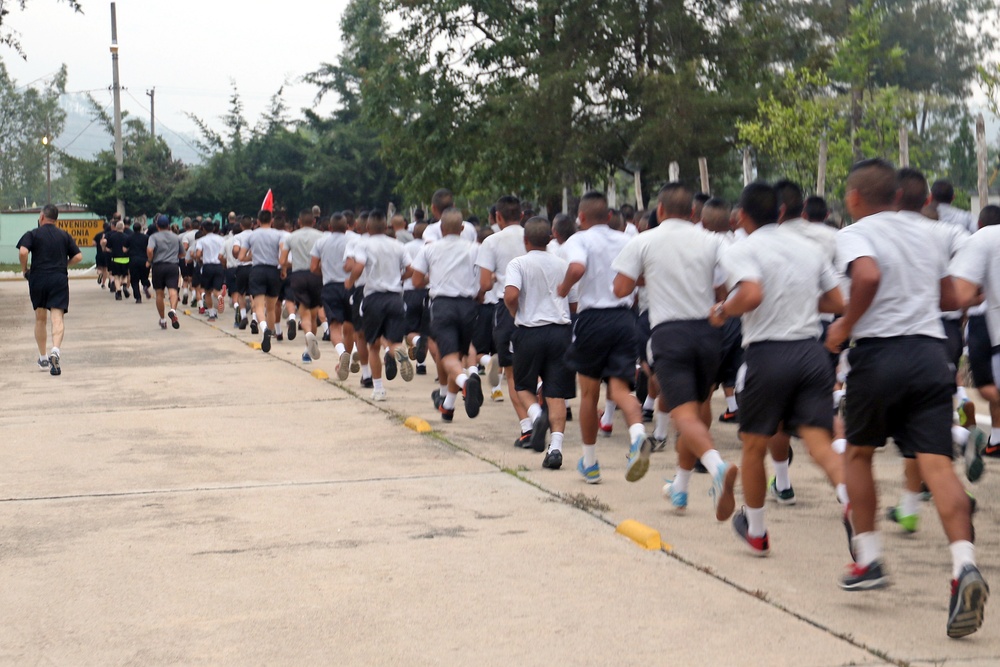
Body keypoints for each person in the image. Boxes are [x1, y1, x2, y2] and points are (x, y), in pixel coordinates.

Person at [826, 158, 985, 638]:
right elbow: (950, 297)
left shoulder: (854, 233)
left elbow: (867, 277)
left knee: (858, 453)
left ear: (854, 197)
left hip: (879, 356)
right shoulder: (928, 232)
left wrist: (845, 325)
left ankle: (869, 559)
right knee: (937, 465)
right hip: (931, 356)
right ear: (897, 195)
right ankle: (964, 566)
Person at [712, 182, 846, 556]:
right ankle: (849, 499)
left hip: (768, 354)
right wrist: (798, 302)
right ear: (782, 212)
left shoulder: (741, 249)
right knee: (819, 441)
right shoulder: (808, 247)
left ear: (741, 215)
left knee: (754, 445)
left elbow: (751, 294)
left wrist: (723, 310)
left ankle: (757, 532)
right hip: (811, 353)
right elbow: (838, 300)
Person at [612, 182, 736, 515]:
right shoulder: (713, 240)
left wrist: (651, 276)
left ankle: (717, 467)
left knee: (683, 414)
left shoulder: (644, 240)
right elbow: (726, 287)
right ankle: (680, 487)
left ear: (660, 209)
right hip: (709, 333)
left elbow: (620, 288)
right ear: (694, 212)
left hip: (670, 334)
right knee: (698, 408)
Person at [560, 190, 651, 484]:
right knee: (621, 389)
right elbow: (641, 278)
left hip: (593, 320)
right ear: (609, 216)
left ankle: (590, 463)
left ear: (581, 217)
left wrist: (563, 288)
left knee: (589, 394)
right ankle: (638, 435)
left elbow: (577, 267)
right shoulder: (627, 240)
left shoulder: (579, 239)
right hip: (625, 319)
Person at [505, 217, 576, 469]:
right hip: (560, 332)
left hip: (530, 331)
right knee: (556, 393)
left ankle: (536, 416)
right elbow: (573, 303)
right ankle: (555, 448)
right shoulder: (562, 264)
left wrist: (515, 312)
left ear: (525, 240)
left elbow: (511, 295)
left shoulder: (519, 263)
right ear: (550, 238)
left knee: (523, 385)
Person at [410, 208, 483, 420]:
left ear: (441, 228)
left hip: (442, 305)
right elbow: (484, 279)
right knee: (459, 356)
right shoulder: (475, 249)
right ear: (462, 228)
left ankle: (464, 382)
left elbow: (416, 281)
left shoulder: (430, 249)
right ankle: (448, 406)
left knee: (448, 356)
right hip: (468, 306)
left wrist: (433, 278)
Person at [477, 195, 531, 444]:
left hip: (507, 309)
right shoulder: (533, 236)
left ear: (497, 216)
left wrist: (493, 280)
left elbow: (485, 284)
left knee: (512, 373)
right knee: (535, 369)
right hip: (538, 308)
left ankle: (527, 426)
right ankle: (542, 409)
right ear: (521, 215)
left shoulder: (491, 241)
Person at [345, 210, 414, 400]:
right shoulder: (398, 245)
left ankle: (378, 389)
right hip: (395, 298)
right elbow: (411, 269)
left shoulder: (364, 244)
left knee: (373, 345)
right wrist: (399, 278)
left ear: (367, 227)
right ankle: (399, 353)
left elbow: (358, 267)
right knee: (394, 342)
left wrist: (350, 281)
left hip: (374, 298)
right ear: (386, 226)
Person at [16, 204, 82, 375]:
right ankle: (55, 351)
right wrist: (64, 264)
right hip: (58, 278)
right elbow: (78, 256)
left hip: (38, 278)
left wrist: (24, 270)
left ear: (42, 217)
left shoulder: (33, 234)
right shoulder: (64, 235)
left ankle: (43, 357)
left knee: (40, 318)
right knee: (57, 317)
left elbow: (23, 252)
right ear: (56, 219)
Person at [963, 204, 1000, 458]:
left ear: (979, 224)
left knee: (984, 384)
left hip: (981, 321)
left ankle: (982, 436)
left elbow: (968, 289)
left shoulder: (977, 243)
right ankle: (995, 439)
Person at [311, 212, 354, 379]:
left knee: (335, 326)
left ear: (329, 227)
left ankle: (342, 354)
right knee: (352, 327)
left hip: (330, 287)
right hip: (350, 285)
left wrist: (325, 271)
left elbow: (313, 267)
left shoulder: (321, 242)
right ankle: (351, 354)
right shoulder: (354, 240)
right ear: (347, 227)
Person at [238, 209, 285, 353]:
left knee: (258, 306)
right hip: (273, 271)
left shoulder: (251, 235)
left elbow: (241, 257)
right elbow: (283, 253)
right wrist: (282, 267)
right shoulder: (279, 234)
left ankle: (264, 329)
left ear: (257, 221)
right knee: (271, 307)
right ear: (272, 221)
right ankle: (270, 333)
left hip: (257, 271)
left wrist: (252, 256)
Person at [282, 209, 324, 363]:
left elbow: (282, 260)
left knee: (303, 313)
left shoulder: (291, 237)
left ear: (299, 222)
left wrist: (291, 265)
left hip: (298, 276)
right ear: (314, 221)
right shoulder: (321, 236)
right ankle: (308, 350)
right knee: (313, 315)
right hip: (316, 276)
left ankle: (308, 335)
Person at [147, 215, 183, 330]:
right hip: (172, 266)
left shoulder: (153, 237)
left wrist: (150, 260)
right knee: (173, 291)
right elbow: (182, 253)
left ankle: (162, 319)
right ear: (168, 226)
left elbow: (150, 250)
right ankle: (173, 310)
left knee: (159, 294)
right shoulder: (176, 237)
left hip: (158, 266)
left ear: (157, 226)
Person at [194, 221, 225, 322]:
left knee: (207, 291)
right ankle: (219, 297)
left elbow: (198, 254)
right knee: (216, 290)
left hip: (207, 266)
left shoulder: (201, 240)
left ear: (203, 229)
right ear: (214, 228)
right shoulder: (221, 239)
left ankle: (212, 314)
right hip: (219, 265)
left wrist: (199, 259)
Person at [102, 220, 131, 300]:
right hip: (125, 259)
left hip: (115, 259)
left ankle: (118, 292)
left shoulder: (112, 237)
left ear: (116, 227)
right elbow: (128, 248)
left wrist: (111, 250)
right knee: (124, 275)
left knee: (116, 277)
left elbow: (108, 248)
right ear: (123, 227)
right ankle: (124, 286)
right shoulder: (127, 237)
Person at [127, 221, 152, 303]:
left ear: (133, 229)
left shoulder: (129, 237)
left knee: (134, 280)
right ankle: (146, 285)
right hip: (144, 260)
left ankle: (138, 297)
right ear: (141, 228)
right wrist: (149, 260)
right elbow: (150, 249)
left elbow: (124, 249)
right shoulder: (146, 237)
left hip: (133, 260)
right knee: (144, 277)